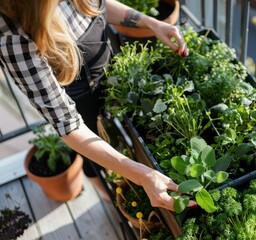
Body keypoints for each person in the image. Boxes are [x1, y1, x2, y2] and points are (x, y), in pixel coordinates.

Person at [0, 0, 191, 211]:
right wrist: (143, 176)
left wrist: (151, 23)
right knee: (95, 161)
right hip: (80, 102)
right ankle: (106, 194)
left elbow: (99, 6)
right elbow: (69, 126)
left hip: (108, 78)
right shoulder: (14, 38)